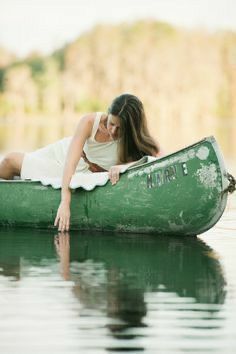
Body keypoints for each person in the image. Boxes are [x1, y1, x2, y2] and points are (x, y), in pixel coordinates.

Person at [0, 93, 161, 232]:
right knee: (8, 162)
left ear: (131, 128)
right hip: (63, 156)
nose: (113, 131)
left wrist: (126, 166)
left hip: (81, 174)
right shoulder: (90, 122)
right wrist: (65, 202)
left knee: (13, 161)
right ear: (108, 114)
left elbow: (158, 160)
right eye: (111, 124)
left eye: (120, 128)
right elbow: (70, 162)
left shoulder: (134, 140)